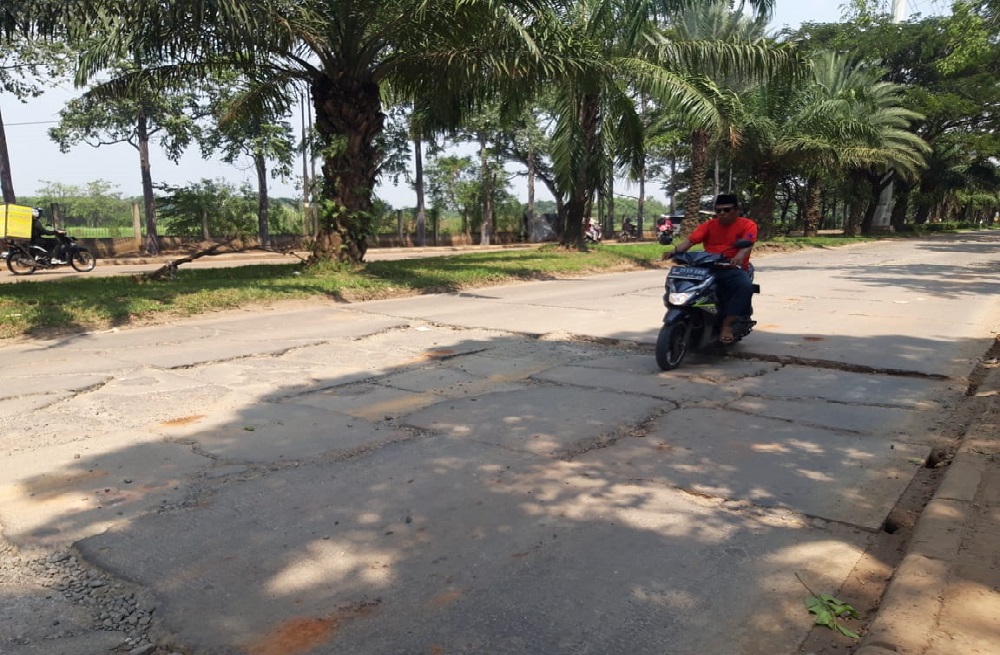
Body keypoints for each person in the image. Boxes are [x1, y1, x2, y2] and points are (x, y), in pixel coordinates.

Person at [666, 194, 757, 344]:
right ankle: (695, 313)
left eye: (726, 210)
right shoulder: (709, 225)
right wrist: (673, 252)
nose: (722, 213)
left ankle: (727, 325)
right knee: (682, 281)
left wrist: (739, 257)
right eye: (718, 210)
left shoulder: (748, 225)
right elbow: (689, 241)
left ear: (736, 210)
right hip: (708, 267)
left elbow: (747, 244)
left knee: (744, 286)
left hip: (732, 268)